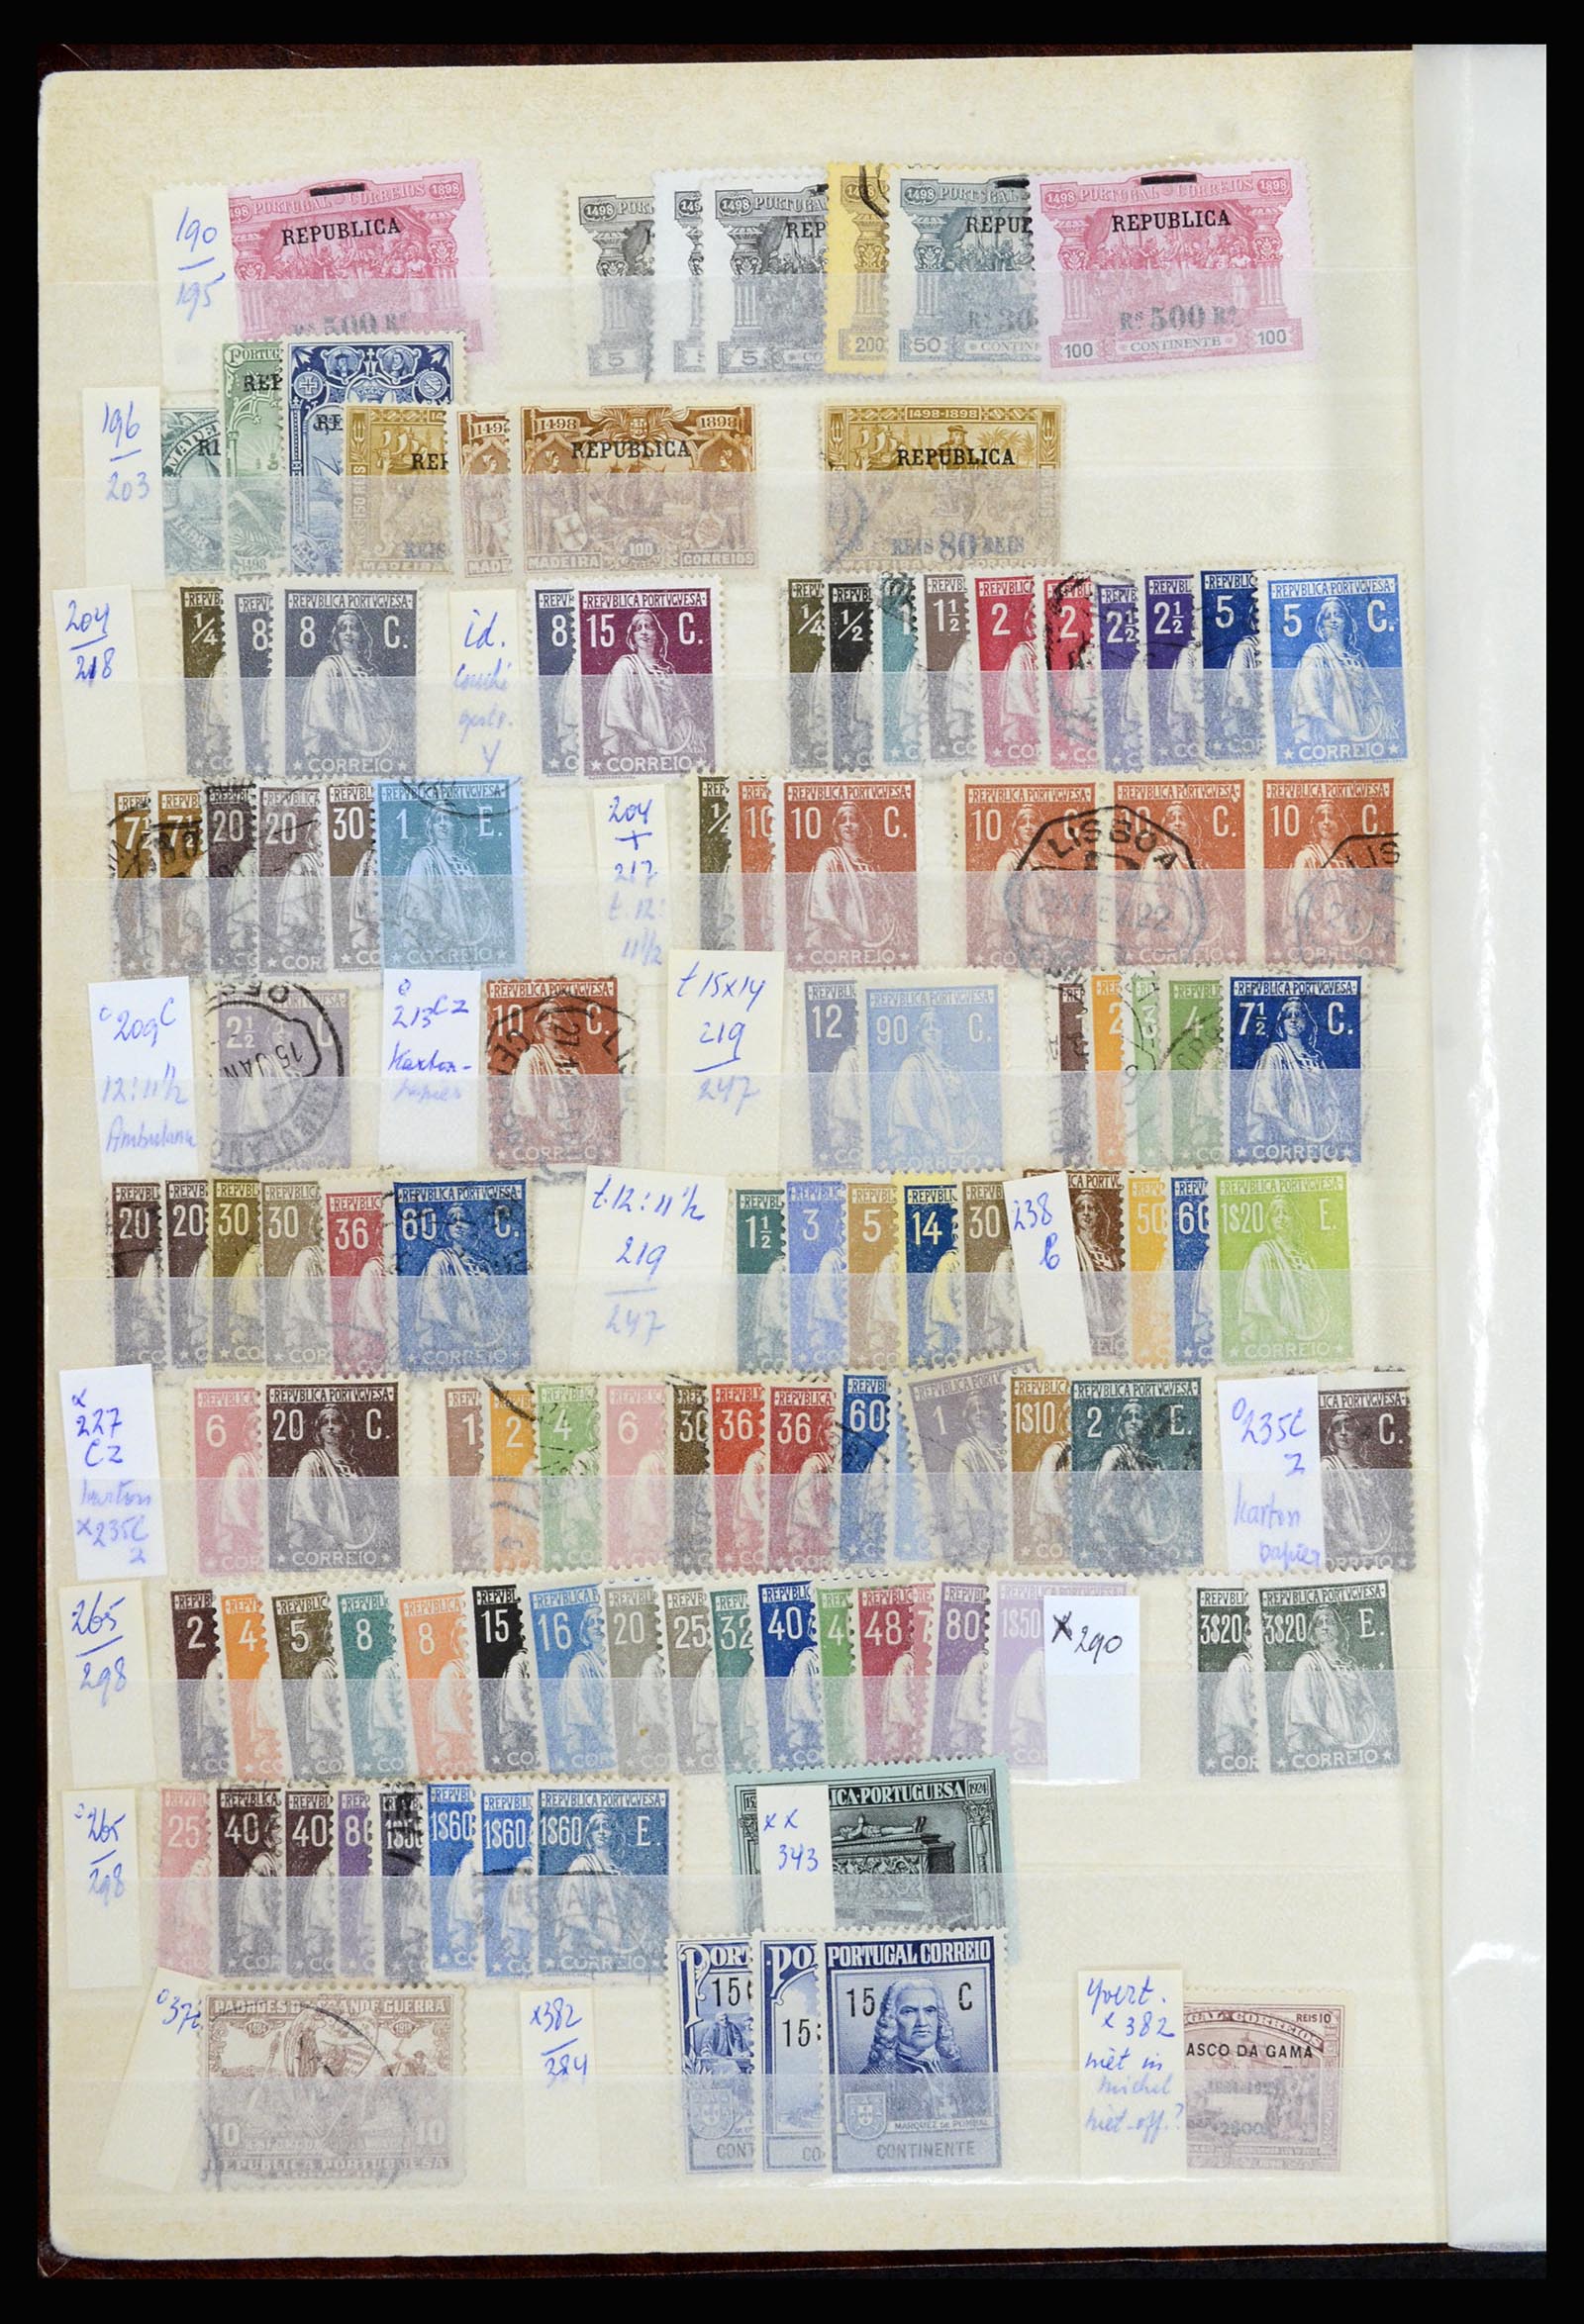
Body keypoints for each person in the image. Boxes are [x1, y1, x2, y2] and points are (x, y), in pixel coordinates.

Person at [1287, 595, 1390, 750]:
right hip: (1330, 734)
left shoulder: (1358, 658)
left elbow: (1373, 696)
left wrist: (1374, 725)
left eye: (1338, 615)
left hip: (1362, 732)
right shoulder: (1315, 654)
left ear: (1346, 622)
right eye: (1328, 617)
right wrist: (1330, 728)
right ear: (1321, 626)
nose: (1333, 620)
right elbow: (1308, 696)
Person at [598, 609, 702, 762]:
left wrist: (688, 730)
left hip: (670, 744)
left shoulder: (668, 669)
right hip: (638, 744)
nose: (644, 632)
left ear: (657, 634)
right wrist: (637, 740)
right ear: (633, 637)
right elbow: (617, 707)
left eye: (649, 627)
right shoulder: (625, 666)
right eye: (638, 628)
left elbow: (680, 707)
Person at [1282, 1602, 1385, 1756]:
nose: (1325, 1627)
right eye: (1319, 1624)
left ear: (1338, 1628)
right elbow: (1302, 1706)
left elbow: (1365, 1702)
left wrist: (1369, 1724)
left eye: (1330, 1622)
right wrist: (1324, 1737)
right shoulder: (1307, 1663)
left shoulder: (1351, 1664)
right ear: (1314, 1632)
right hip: (1324, 1745)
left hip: (1356, 1739)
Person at [802, 802, 899, 962]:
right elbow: (820, 894)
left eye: (853, 819)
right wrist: (840, 931)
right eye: (843, 820)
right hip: (844, 939)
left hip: (877, 939)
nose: (848, 824)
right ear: (837, 828)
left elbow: (885, 902)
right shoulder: (829, 859)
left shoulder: (871, 863)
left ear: (861, 826)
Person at [885, 1008, 986, 1163]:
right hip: (928, 1145)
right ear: (920, 1035)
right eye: (927, 1026)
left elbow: (969, 1111)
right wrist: (923, 1135)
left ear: (943, 1033)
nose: (931, 1030)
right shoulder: (913, 1064)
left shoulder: (954, 1070)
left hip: (959, 1147)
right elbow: (904, 1102)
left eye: (936, 1025)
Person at [858, 1980, 969, 2119]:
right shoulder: (872, 2079)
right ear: (891, 2020)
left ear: (939, 2018)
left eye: (929, 2011)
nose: (922, 2022)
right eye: (909, 2012)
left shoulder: (959, 2071)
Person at [286, 1402, 381, 1563]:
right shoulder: (311, 1462)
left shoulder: (354, 1467)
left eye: (335, 1422)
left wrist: (372, 1533)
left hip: (359, 1545)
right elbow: (303, 1505)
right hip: (328, 1548)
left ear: (344, 1428)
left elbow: (370, 1508)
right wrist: (325, 1538)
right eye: (325, 1423)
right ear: (319, 1431)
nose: (330, 1427)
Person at [1244, 998, 1340, 1154]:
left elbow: (1330, 1097)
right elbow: (1265, 1095)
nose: (1293, 1020)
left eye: (1298, 1015)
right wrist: (1285, 1129)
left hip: (1319, 1131)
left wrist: (1330, 1127)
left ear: (1306, 1021)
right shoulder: (1274, 1054)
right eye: (1288, 1016)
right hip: (1288, 1131)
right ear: (1282, 1023)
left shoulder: (1316, 1058)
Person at [1237, 1193, 1333, 1347]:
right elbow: (1255, 1291)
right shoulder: (1263, 1252)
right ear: (1270, 1220)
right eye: (1276, 1214)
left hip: (1308, 1330)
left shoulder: (1305, 1255)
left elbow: (1319, 1293)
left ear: (1294, 1219)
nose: (1281, 1218)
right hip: (1277, 1331)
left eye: (1286, 1213)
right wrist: (1274, 1324)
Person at [299, 609, 396, 763]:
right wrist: (339, 738)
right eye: (343, 628)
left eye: (354, 628)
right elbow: (320, 704)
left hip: (374, 749)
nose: (348, 633)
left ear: (361, 635)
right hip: (343, 749)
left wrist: (384, 741)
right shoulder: (329, 666)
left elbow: (385, 712)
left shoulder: (371, 671)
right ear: (337, 635)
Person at [1093, 1398, 1184, 1559]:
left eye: (1139, 1417)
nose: (1134, 1422)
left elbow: (1172, 1500)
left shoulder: (1155, 1461)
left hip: (1154, 1532)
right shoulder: (1114, 1455)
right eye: (1129, 1417)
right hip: (1125, 1533)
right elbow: (1101, 1490)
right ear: (1122, 1425)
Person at [414, 1204, 497, 1361]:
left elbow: (495, 1304)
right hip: (451, 1339)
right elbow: (433, 1297)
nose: (458, 1225)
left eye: (463, 1220)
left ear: (472, 1227)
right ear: (447, 1229)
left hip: (483, 1338)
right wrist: (451, 1330)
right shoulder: (439, 1260)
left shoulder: (483, 1264)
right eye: (453, 1221)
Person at [1321, 1406, 1404, 1562]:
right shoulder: (1328, 1467)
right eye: (1338, 1428)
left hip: (1377, 1546)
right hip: (1347, 1549)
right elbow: (1323, 1511)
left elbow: (1384, 1511)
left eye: (1349, 1428)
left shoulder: (1368, 1471)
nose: (1343, 1433)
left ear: (1357, 1433)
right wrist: (1342, 1543)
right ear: (1332, 1435)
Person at [398, 805, 477, 962]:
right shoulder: (424, 858)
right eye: (437, 820)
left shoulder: (468, 862)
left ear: (456, 825)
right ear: (431, 827)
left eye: (447, 819)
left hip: (472, 936)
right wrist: (439, 932)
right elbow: (417, 900)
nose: (442, 824)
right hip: (441, 940)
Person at [552, 1806, 626, 1959]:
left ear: (614, 1834)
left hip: (621, 1947)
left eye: (606, 1827)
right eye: (596, 1828)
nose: (601, 1832)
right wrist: (590, 1938)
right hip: (592, 1946)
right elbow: (573, 1905)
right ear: (590, 1835)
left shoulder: (623, 1873)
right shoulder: (582, 1864)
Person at [559, 1605, 611, 1769]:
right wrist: (602, 1736)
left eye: (600, 1621)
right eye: (591, 1623)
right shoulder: (580, 1663)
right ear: (585, 1631)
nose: (596, 1626)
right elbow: (577, 1704)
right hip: (591, 1739)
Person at [997, 599, 1040, 756]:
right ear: (1030, 626)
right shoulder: (1020, 654)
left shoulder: (1045, 655)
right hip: (1021, 732)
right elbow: (1017, 697)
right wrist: (1039, 720)